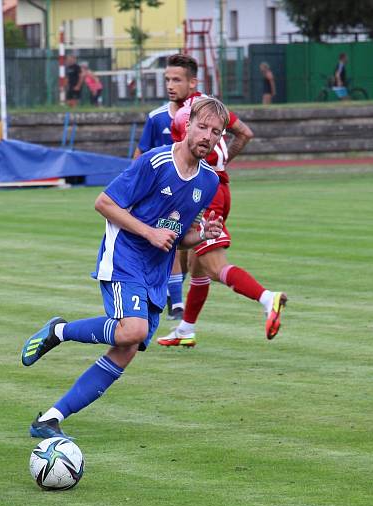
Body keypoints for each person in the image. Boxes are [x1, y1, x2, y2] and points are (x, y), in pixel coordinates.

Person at [20, 97, 229, 439]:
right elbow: (104, 202)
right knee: (131, 330)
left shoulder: (208, 182)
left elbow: (178, 237)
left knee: (126, 349)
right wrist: (149, 232)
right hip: (125, 257)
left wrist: (202, 233)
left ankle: (51, 419)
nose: (207, 136)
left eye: (215, 132)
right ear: (187, 124)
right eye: (202, 126)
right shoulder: (155, 162)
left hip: (155, 273)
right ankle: (59, 331)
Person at [157, 102, 286, 348]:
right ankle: (186, 329)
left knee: (215, 267)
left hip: (207, 192)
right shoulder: (211, 113)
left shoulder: (189, 116)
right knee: (198, 268)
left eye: (176, 79)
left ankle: (268, 298)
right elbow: (243, 134)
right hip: (220, 185)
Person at [133, 53, 202, 320]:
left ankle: (173, 291)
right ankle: (176, 304)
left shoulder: (205, 115)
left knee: (190, 252)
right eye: (167, 80)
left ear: (192, 83)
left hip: (195, 195)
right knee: (169, 241)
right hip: (164, 196)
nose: (170, 85)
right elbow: (139, 156)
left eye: (176, 80)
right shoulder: (157, 118)